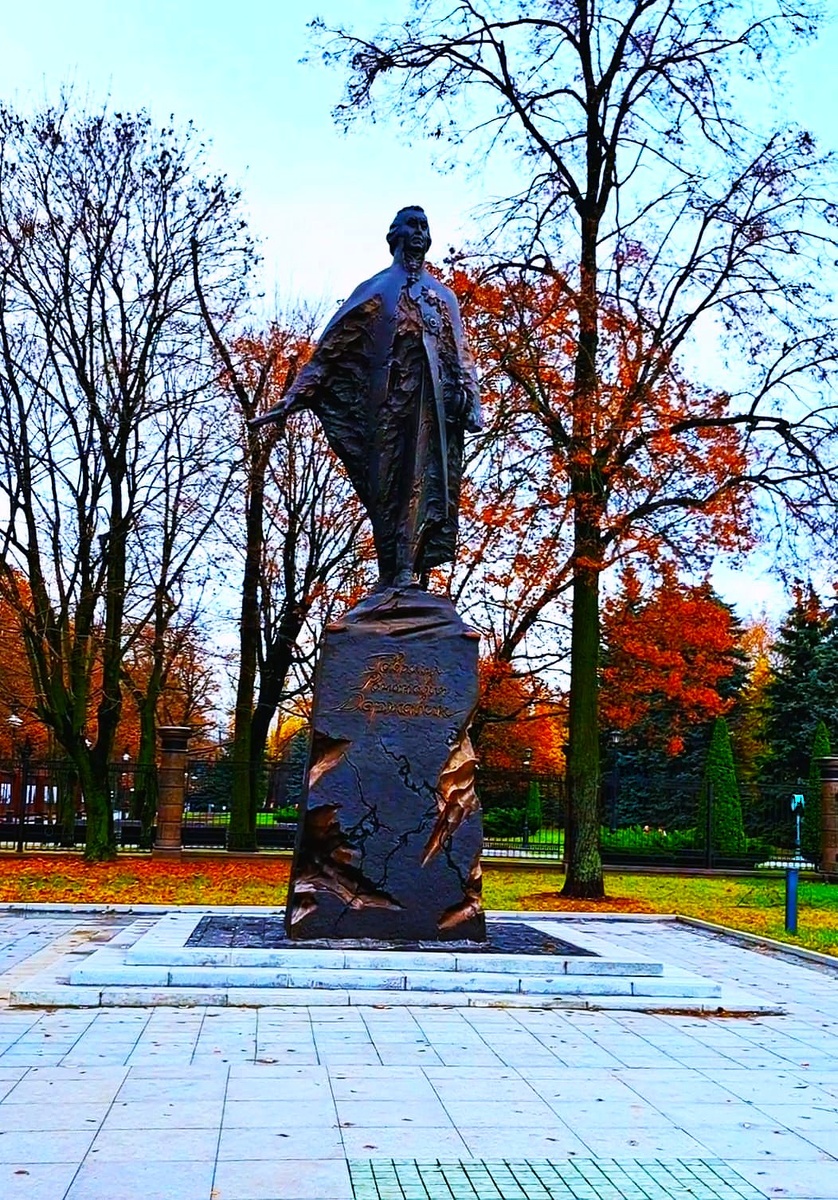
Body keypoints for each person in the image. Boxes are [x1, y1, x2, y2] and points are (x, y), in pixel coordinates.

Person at [250, 206, 482, 588]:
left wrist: (470, 401)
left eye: (425, 226)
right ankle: (393, 572)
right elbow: (330, 352)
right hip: (384, 406)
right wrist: (293, 396)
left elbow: (461, 353)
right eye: (412, 226)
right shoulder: (377, 290)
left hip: (430, 406)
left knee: (418, 481)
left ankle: (407, 571)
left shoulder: (443, 297)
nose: (420, 233)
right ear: (395, 235)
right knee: (383, 486)